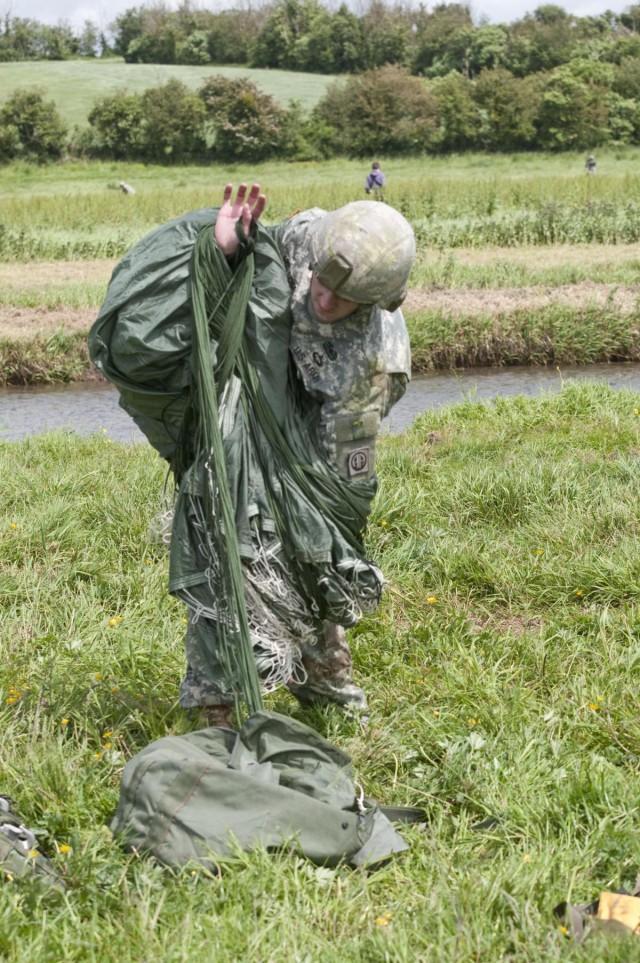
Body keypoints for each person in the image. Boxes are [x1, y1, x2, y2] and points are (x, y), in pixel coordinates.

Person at [90, 183, 416, 729]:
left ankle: (330, 694)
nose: (324, 298)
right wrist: (225, 252)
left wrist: (314, 522)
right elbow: (210, 304)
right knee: (224, 545)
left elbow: (345, 475)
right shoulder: (303, 240)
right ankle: (215, 717)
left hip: (308, 449)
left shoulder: (368, 366)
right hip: (236, 420)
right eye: (321, 282)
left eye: (344, 296)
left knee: (307, 557)